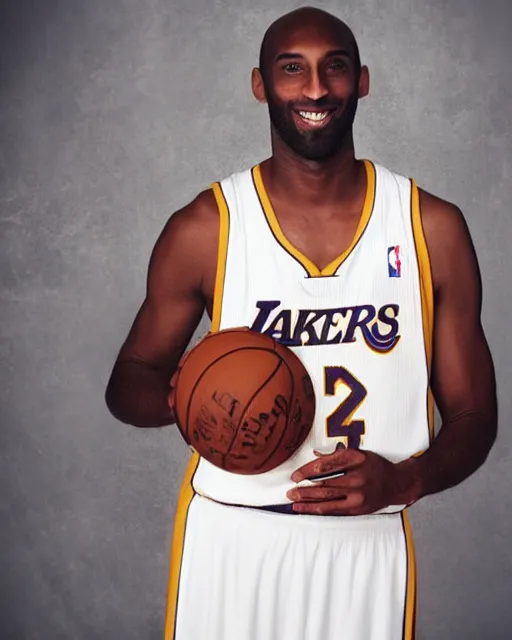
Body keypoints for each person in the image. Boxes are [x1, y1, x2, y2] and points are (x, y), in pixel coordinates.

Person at [105, 7, 497, 640]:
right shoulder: (207, 228)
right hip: (232, 537)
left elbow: (477, 416)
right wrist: (182, 401)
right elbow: (128, 379)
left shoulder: (431, 228)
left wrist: (408, 477)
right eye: (292, 70)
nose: (315, 89)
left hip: (368, 542)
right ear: (261, 85)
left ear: (361, 81)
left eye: (333, 68)